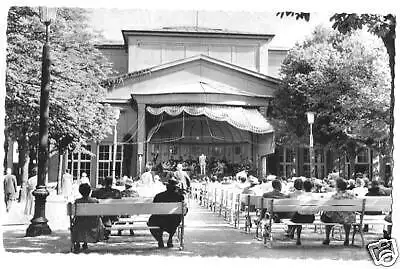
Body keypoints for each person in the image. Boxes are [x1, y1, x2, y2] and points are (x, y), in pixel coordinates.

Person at [147, 178, 185, 248]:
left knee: (151, 221)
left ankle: (160, 240)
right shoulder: (179, 197)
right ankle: (170, 239)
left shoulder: (158, 196)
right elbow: (184, 212)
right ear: (175, 188)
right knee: (177, 218)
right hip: (173, 222)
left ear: (166, 187)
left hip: (158, 221)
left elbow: (153, 209)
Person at [321, 177, 356, 246]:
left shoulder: (335, 196)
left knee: (327, 216)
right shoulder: (352, 195)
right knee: (347, 216)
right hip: (349, 218)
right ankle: (347, 238)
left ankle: (327, 238)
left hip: (337, 218)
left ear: (338, 187)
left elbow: (328, 205)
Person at [71, 183, 105, 253]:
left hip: (80, 225)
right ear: (89, 191)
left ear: (80, 191)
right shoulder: (95, 201)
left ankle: (77, 243)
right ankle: (85, 243)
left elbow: (74, 215)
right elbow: (100, 214)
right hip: (93, 225)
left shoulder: (77, 201)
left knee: (80, 221)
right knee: (90, 220)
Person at [287, 179, 316, 245]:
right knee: (298, 216)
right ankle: (292, 232)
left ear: (303, 187)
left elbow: (298, 208)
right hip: (310, 219)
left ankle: (298, 238)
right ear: (312, 187)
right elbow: (316, 210)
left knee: (297, 217)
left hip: (300, 218)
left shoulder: (300, 197)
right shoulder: (314, 197)